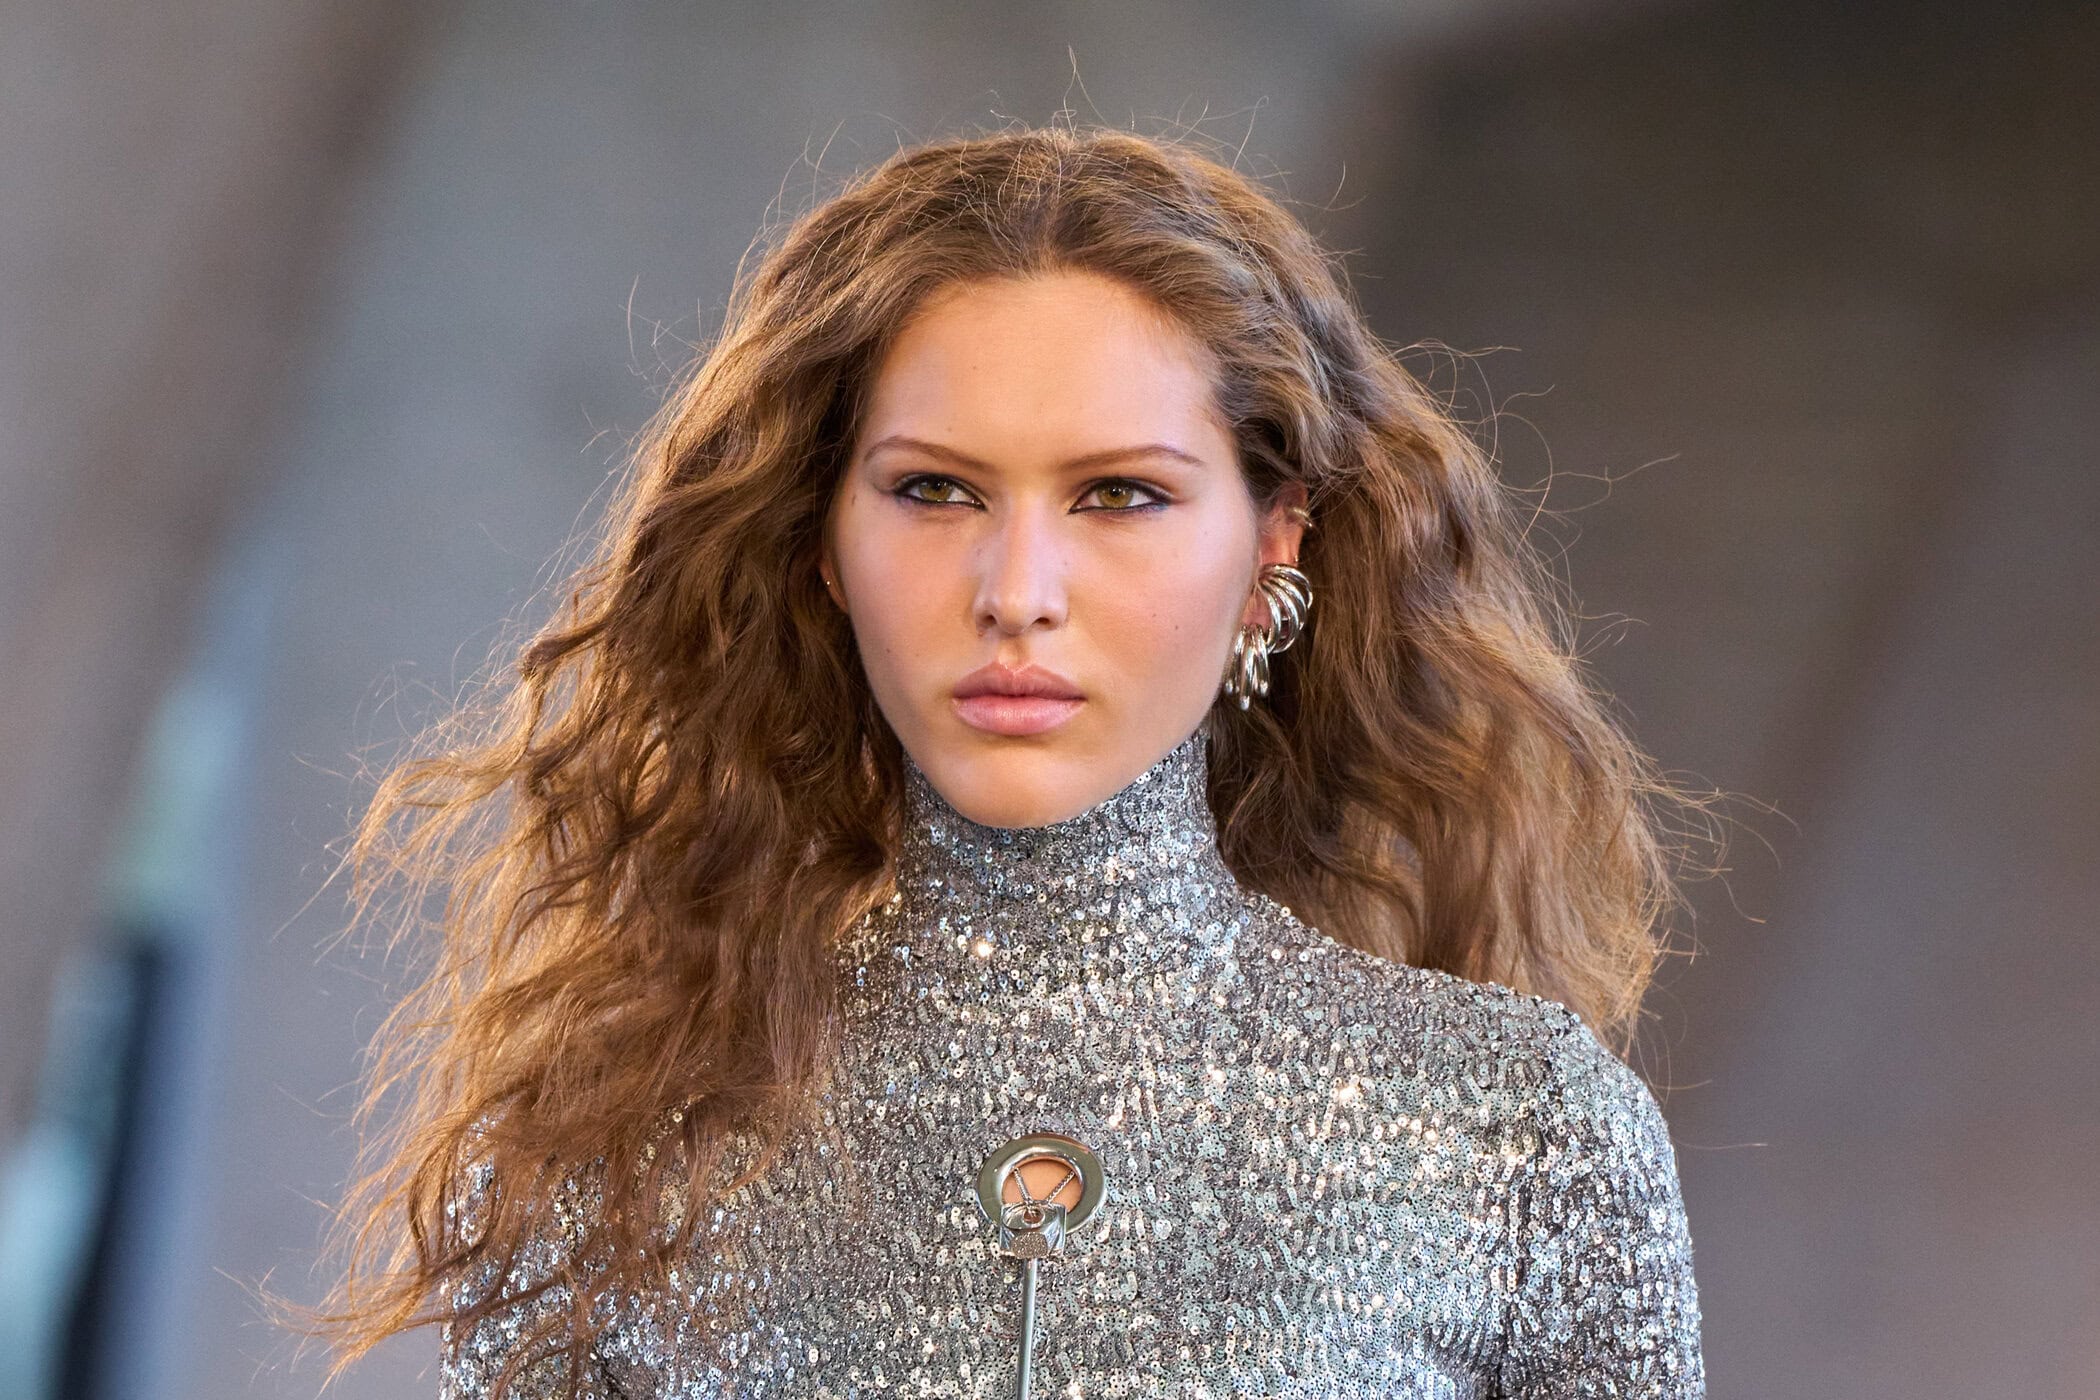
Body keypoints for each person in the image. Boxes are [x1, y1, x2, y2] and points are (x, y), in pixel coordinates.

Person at [313, 123, 1704, 1397]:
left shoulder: (1516, 1130)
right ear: (821, 541)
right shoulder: (610, 1151)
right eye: (935, 490)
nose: (1017, 592)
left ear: (1274, 544)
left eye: (1120, 496)